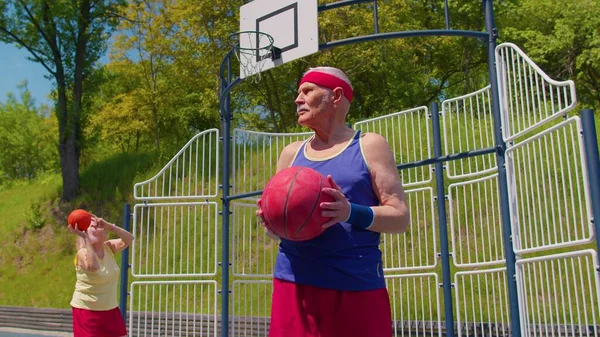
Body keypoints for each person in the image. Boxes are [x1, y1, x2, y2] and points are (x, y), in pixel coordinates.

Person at [256, 66, 411, 337]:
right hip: (293, 284)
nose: (298, 99)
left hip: (354, 286)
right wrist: (272, 222)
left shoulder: (369, 145)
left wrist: (350, 212)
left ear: (336, 96)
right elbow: (277, 232)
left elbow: (400, 217)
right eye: (298, 93)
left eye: (308, 91)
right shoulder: (291, 153)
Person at [69, 213, 134, 337]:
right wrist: (86, 240)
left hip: (110, 309)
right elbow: (93, 267)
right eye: (92, 225)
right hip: (87, 310)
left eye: (98, 224)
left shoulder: (109, 247)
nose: (97, 225)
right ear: (85, 233)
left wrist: (111, 226)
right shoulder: (82, 253)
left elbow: (130, 239)